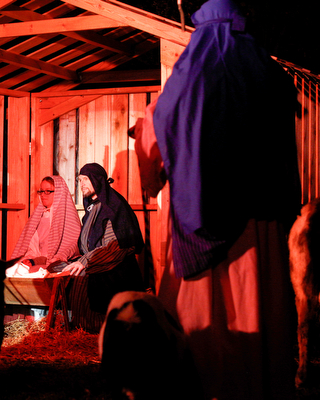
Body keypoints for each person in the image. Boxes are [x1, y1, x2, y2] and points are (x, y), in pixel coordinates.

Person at [135, 0, 301, 398]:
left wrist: (153, 177)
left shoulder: (188, 78)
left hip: (200, 212)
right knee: (258, 303)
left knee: (202, 315)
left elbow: (156, 128)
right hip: (258, 225)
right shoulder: (271, 76)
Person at [63, 163, 145, 333]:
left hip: (114, 268)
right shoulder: (93, 206)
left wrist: (85, 261)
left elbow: (115, 245)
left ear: (97, 180)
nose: (82, 184)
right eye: (80, 180)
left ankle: (99, 333)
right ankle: (82, 330)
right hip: (95, 262)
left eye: (85, 179)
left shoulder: (112, 207)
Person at [7, 175, 81, 277]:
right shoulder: (37, 217)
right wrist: (31, 261)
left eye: (48, 191)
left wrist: (48, 261)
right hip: (36, 262)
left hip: (56, 265)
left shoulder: (69, 218)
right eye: (41, 191)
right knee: (12, 271)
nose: (43, 195)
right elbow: (32, 248)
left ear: (59, 193)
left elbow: (71, 247)